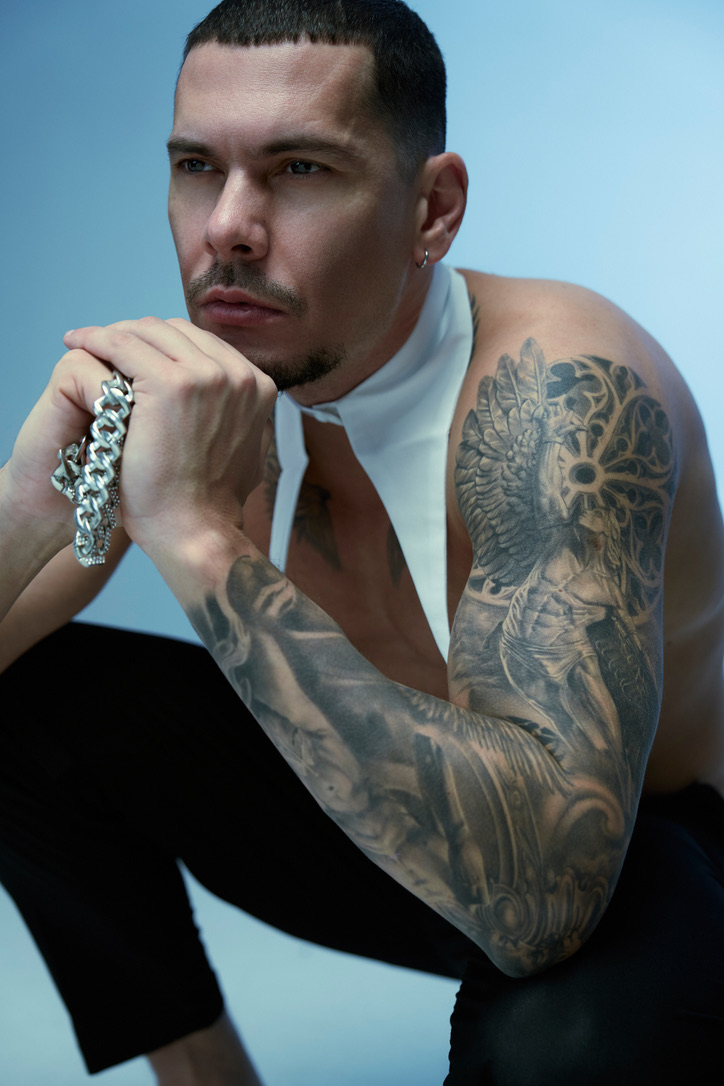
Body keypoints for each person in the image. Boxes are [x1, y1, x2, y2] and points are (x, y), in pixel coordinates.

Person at [1, 0, 723, 1082]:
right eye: (198, 167)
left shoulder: (559, 393)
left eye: (298, 170)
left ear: (432, 209)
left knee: (558, 1047)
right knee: (25, 699)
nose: (227, 228)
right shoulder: (185, 396)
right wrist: (28, 505)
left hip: (622, 856)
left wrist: (194, 535)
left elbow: (544, 901)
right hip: (362, 819)